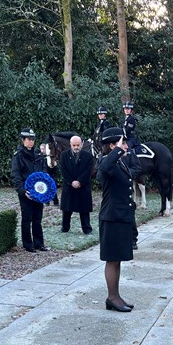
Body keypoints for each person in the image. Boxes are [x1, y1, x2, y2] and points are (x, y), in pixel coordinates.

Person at [97, 127, 138, 312]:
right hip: (111, 218)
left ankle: (116, 296)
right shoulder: (107, 162)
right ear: (112, 145)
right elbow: (104, 169)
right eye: (122, 143)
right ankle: (112, 297)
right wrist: (118, 151)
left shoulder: (120, 163)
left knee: (118, 259)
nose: (126, 146)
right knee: (112, 260)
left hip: (121, 217)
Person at [10, 128, 49, 252]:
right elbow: (16, 175)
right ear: (23, 140)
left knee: (38, 218)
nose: (31, 142)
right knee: (27, 218)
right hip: (26, 192)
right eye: (29, 139)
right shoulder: (18, 156)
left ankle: (39, 243)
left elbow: (43, 171)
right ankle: (28, 244)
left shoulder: (38, 154)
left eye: (33, 139)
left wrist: (44, 187)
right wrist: (22, 191)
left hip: (39, 191)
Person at [59, 135, 94, 235]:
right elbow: (63, 171)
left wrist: (79, 181)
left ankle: (87, 228)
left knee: (84, 210)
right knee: (67, 209)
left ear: (82, 144)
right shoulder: (64, 155)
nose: (76, 147)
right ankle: (65, 227)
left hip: (83, 186)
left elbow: (88, 171)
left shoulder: (88, 156)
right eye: (74, 145)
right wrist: (72, 182)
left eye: (78, 145)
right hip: (69, 186)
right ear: (70, 144)